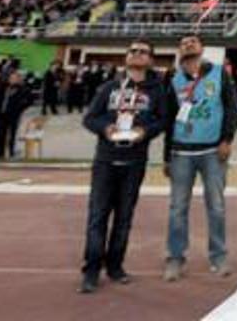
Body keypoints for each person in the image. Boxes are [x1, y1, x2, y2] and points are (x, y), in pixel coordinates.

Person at [79, 40, 169, 293]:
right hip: (105, 160)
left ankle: (115, 266)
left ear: (151, 59)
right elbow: (90, 118)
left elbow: (163, 120)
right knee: (97, 216)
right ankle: (91, 270)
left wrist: (145, 131)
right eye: (133, 51)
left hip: (134, 161)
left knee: (124, 217)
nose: (137, 54)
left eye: (143, 52)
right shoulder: (109, 87)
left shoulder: (157, 91)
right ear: (126, 56)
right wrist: (105, 128)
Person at [163, 35, 237, 281]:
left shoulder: (218, 73)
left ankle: (218, 255)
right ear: (179, 50)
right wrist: (166, 156)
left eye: (193, 41)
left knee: (216, 207)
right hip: (181, 152)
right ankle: (175, 258)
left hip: (212, 151)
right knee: (177, 208)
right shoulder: (172, 79)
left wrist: (227, 139)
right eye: (183, 43)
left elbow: (230, 107)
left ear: (202, 48)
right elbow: (168, 118)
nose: (188, 44)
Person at [0, 70, 33, 159]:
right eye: (11, 78)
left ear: (19, 79)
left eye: (15, 78)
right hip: (3, 113)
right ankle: (1, 152)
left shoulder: (23, 89)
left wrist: (20, 107)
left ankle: (12, 151)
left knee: (13, 133)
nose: (12, 80)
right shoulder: (6, 88)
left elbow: (29, 101)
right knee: (2, 133)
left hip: (14, 114)